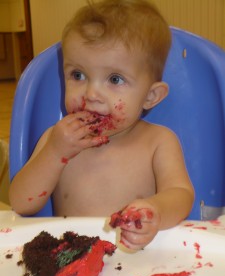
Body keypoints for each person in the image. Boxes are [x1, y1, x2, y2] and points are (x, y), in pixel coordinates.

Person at [9, 0, 194, 250]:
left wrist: (156, 210)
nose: (91, 93)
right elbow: (21, 203)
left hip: (136, 262)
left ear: (150, 97)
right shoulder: (56, 138)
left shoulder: (158, 142)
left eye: (114, 79)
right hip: (70, 262)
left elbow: (181, 194)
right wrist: (54, 153)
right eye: (78, 75)